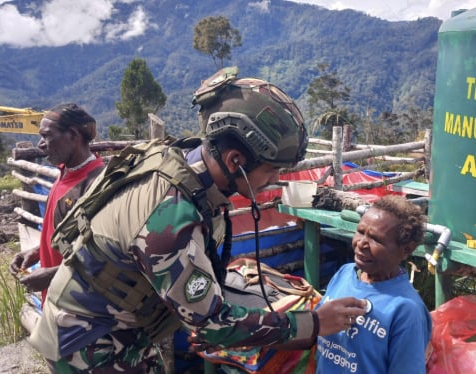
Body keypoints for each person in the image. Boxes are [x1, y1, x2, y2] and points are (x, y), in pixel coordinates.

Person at [27, 67, 366, 373]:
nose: (274, 180)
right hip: (88, 347)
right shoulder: (171, 216)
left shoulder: (180, 162)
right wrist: (315, 323)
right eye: (272, 170)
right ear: (236, 161)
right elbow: (211, 325)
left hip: (117, 328)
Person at [316, 194, 433, 373]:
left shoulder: (406, 310)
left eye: (376, 239)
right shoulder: (345, 273)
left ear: (406, 250)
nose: (361, 243)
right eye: (361, 232)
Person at [9, 103, 105, 306]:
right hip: (58, 303)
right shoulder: (65, 173)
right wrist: (37, 251)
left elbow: (102, 256)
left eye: (47, 136)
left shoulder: (96, 185)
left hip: (80, 310)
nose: (41, 144)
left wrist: (52, 274)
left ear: (72, 134)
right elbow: (69, 237)